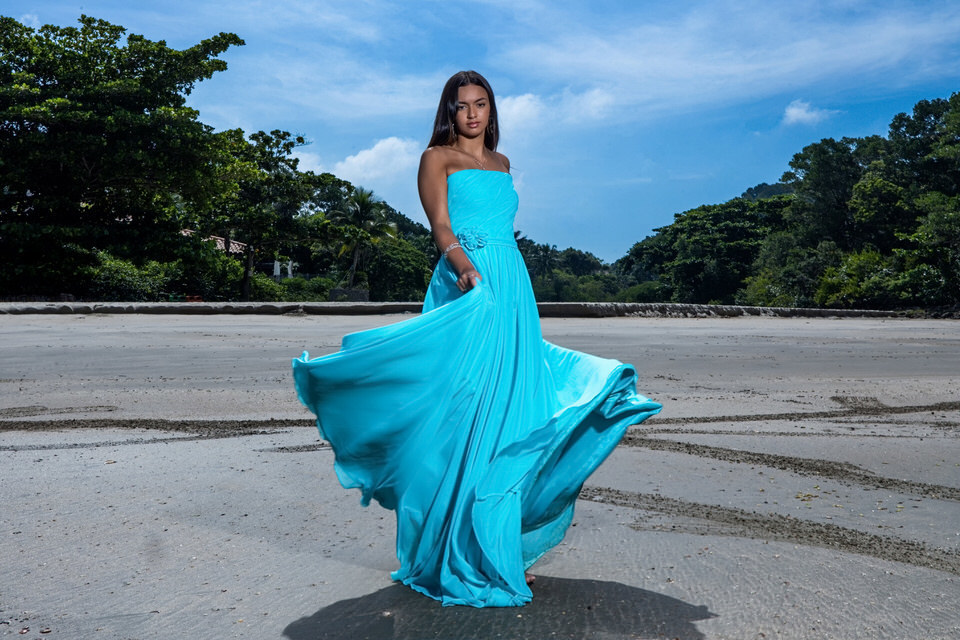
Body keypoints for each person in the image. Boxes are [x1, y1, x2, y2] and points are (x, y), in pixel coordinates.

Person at [292, 70, 661, 608]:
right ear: (450, 111)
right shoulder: (436, 158)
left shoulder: (503, 164)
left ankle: (496, 541)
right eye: (462, 105)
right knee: (466, 411)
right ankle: (454, 546)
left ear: (491, 110)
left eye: (480, 104)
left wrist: (496, 273)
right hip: (468, 283)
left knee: (513, 409)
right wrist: (464, 266)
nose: (471, 113)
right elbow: (441, 227)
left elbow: (504, 230)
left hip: (512, 288)